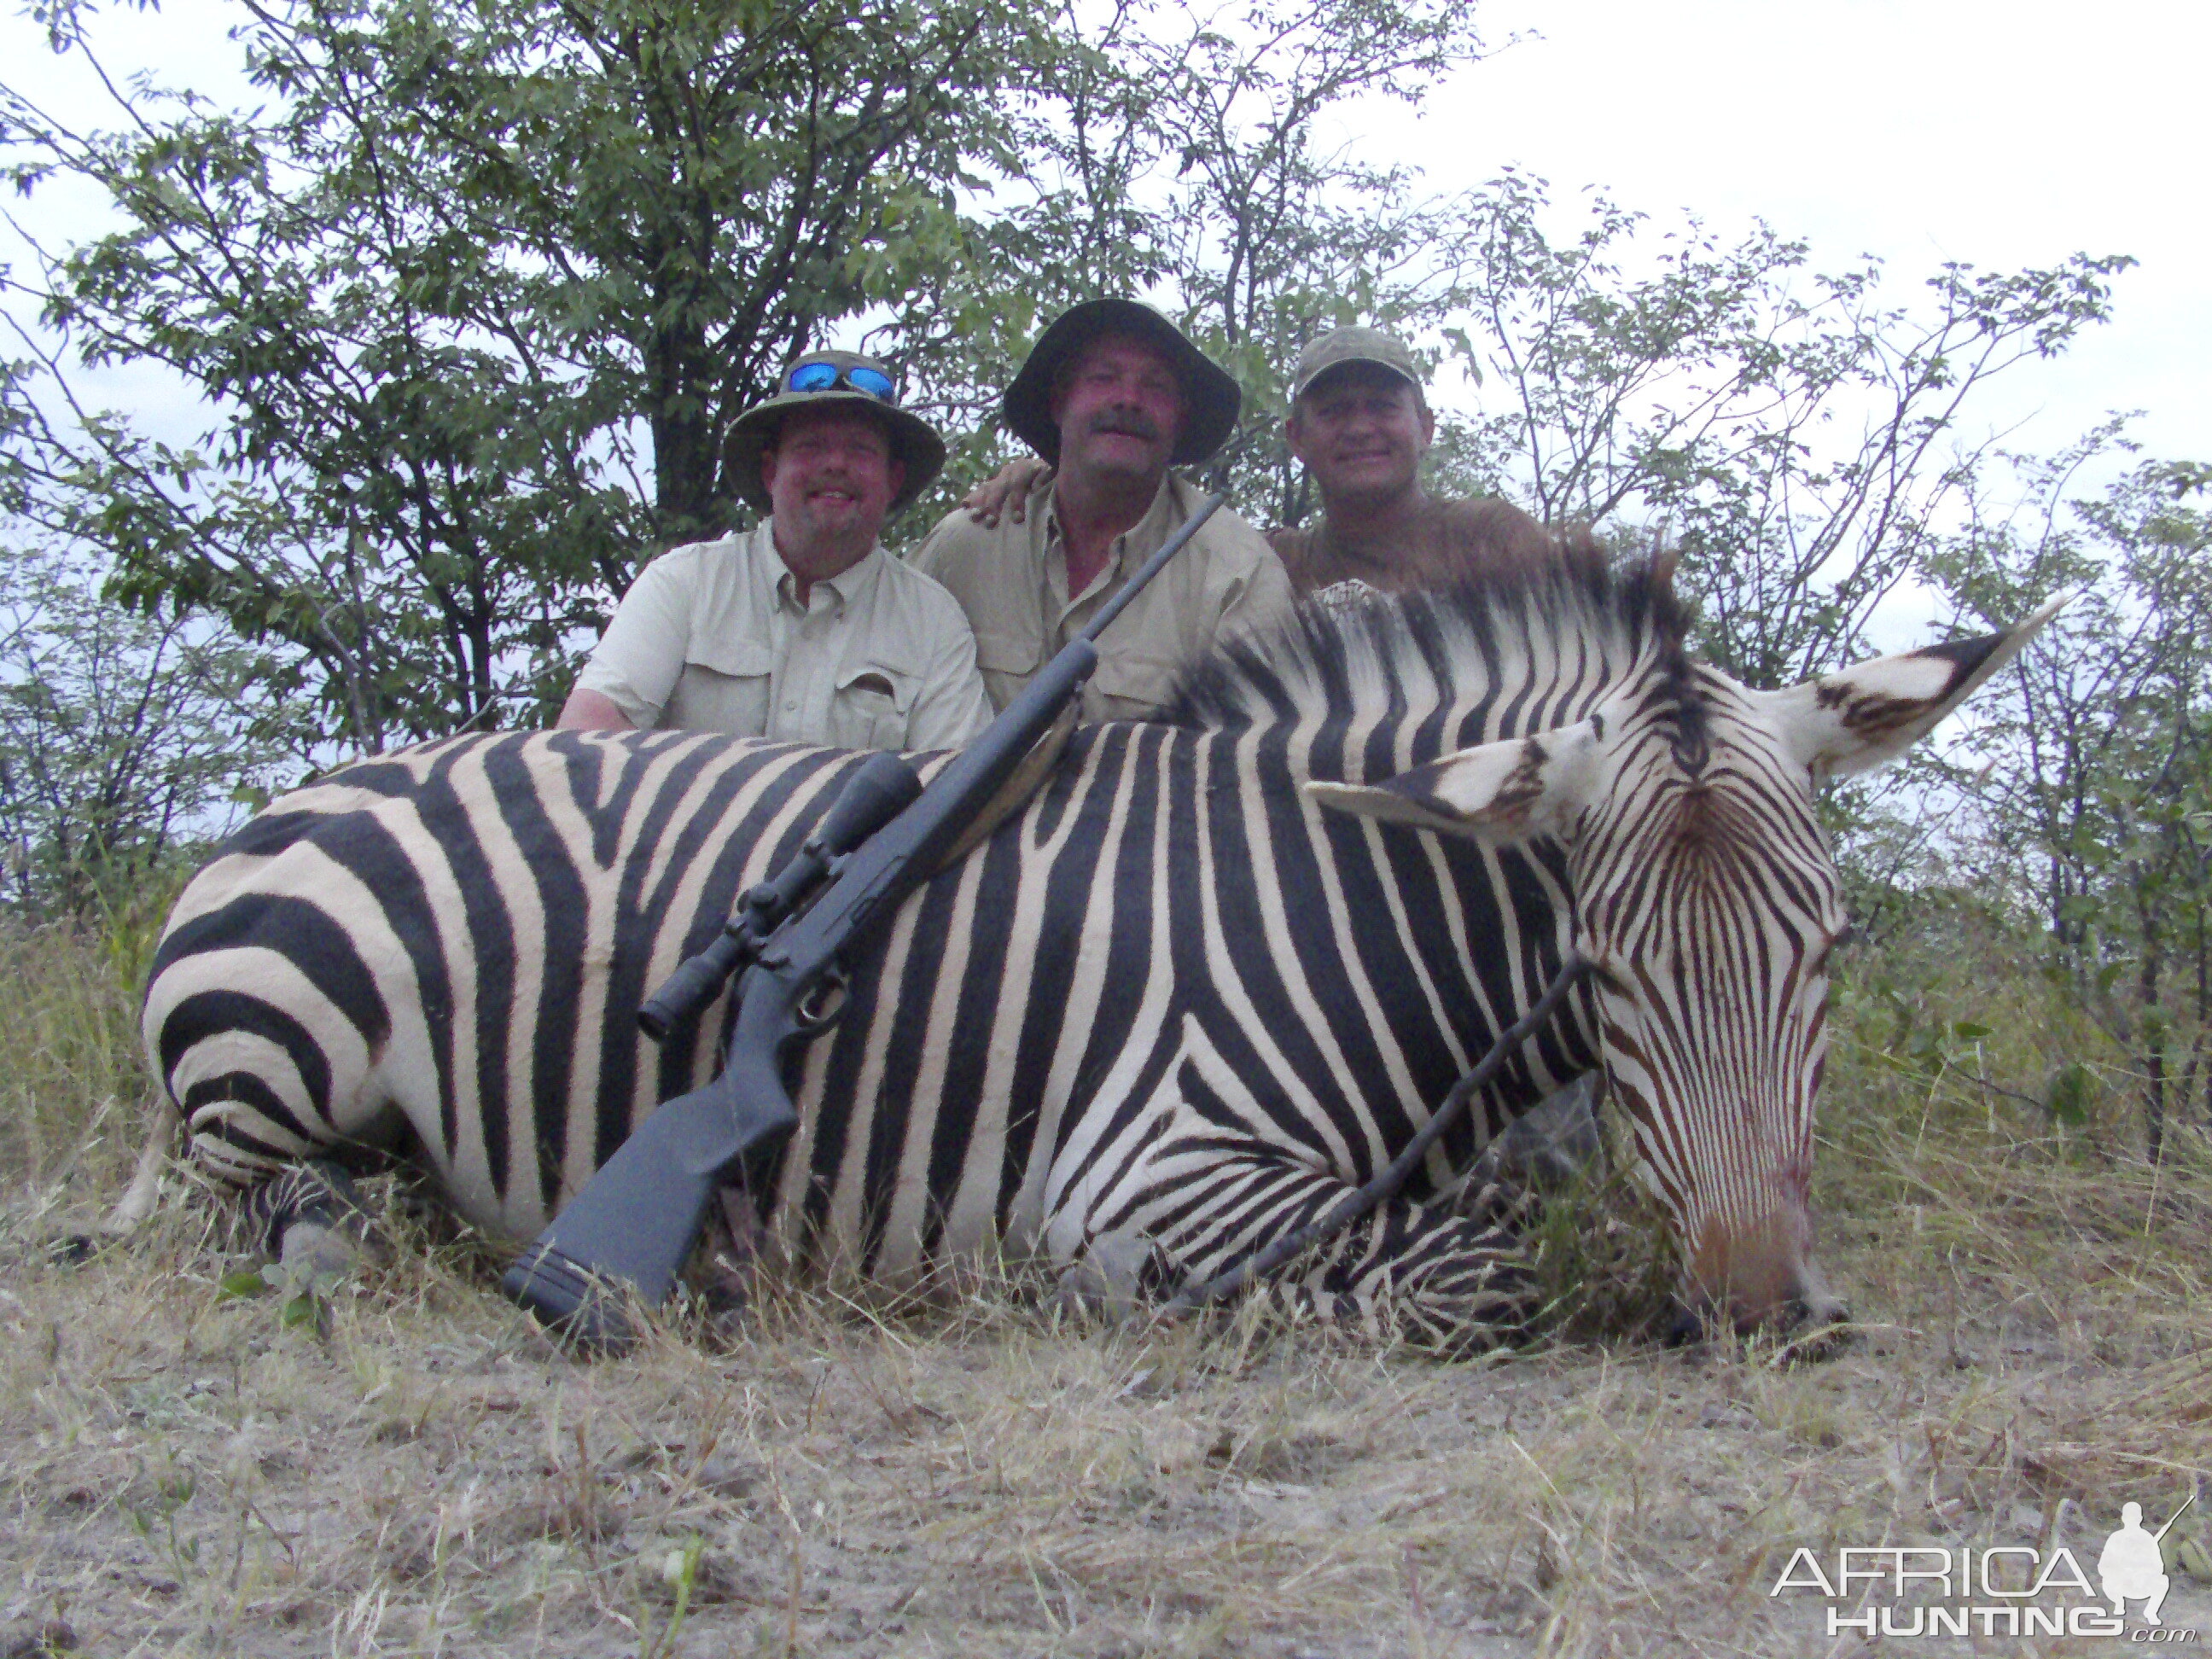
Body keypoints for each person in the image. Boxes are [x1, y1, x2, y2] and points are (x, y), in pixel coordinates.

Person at [559, 351, 992, 751]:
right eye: (811, 446)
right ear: (771, 470)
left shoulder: (935, 624)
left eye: (860, 449)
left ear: (893, 480)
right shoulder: (682, 583)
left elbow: (954, 792)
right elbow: (582, 746)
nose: (835, 464)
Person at [911, 300, 1292, 723]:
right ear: (1059, 402)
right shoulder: (966, 544)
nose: (1128, 399)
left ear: (1180, 419)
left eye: (1156, 387)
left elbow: (1255, 764)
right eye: (1103, 378)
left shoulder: (1239, 572)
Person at [963, 324, 1555, 597]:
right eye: (1335, 411)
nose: (1360, 428)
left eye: (1382, 406)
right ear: (1297, 438)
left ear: (1425, 428)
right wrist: (1041, 474)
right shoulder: (1271, 562)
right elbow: (1143, 503)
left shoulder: (1494, 539)